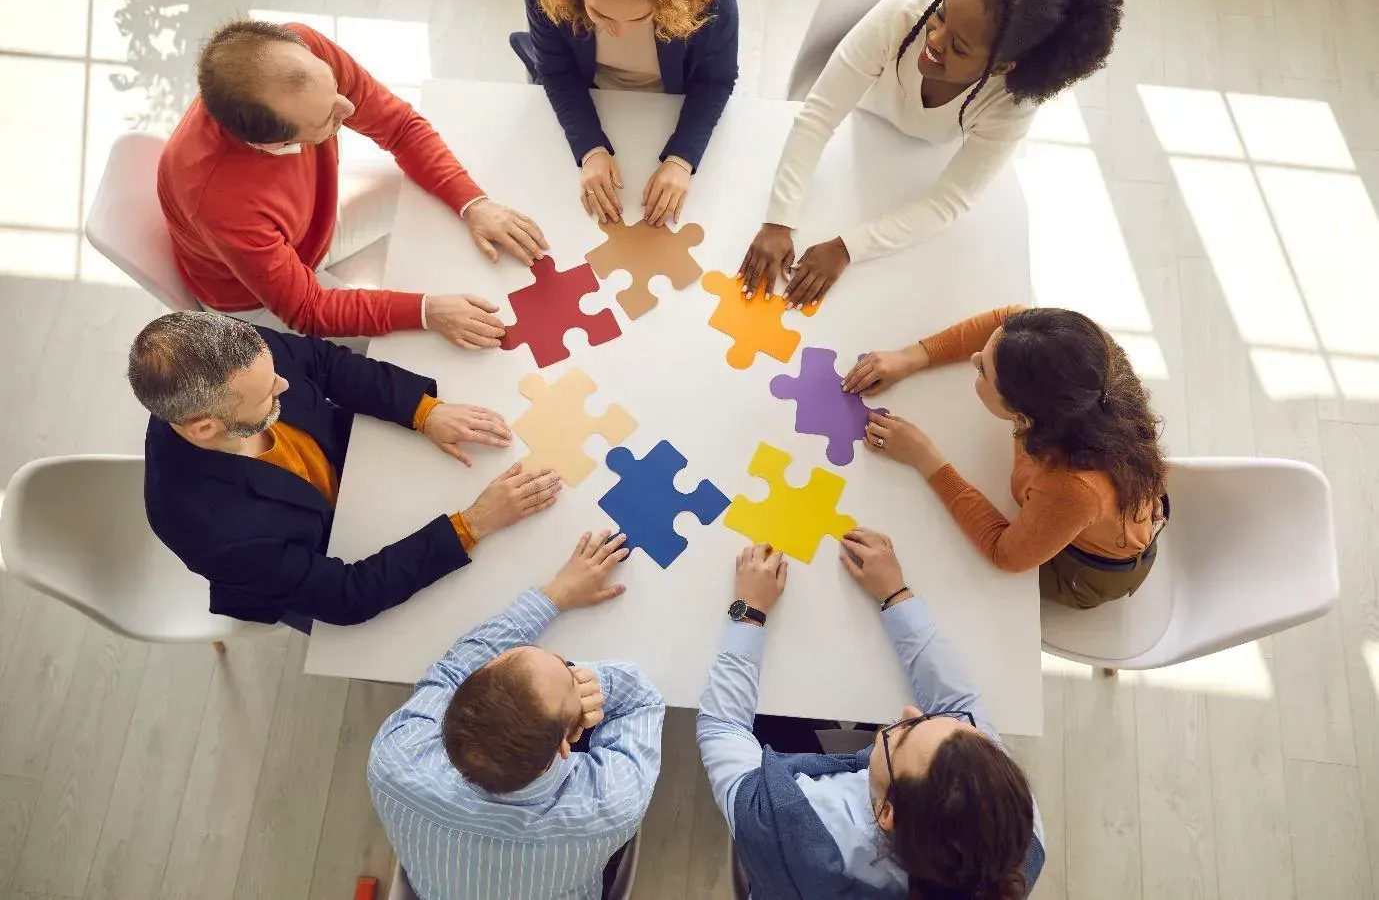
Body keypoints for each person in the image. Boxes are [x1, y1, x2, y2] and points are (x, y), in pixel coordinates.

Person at [129, 311, 562, 632]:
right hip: (323, 557)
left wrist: (422, 411)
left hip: (360, 470)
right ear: (205, 428)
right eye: (267, 393)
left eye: (274, 373)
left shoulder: (238, 356)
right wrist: (474, 523)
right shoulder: (215, 534)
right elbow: (346, 596)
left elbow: (323, 363)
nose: (284, 384)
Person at [159, 19, 549, 344]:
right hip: (254, 300)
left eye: (333, 88)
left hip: (312, 226)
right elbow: (308, 310)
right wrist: (427, 310)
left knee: (433, 184)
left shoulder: (303, 54)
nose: (347, 108)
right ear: (277, 143)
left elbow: (399, 128)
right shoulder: (217, 199)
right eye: (327, 120)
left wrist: (474, 204)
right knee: (416, 347)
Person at [739, 0, 1125, 308]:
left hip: (918, 159)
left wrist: (847, 247)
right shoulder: (906, 11)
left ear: (1001, 67)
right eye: (939, 15)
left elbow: (948, 202)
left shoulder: (1011, 105)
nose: (934, 41)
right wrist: (778, 220)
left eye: (959, 48)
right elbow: (819, 115)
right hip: (861, 120)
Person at [697, 535, 1044, 898]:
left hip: (781, 861)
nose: (910, 712)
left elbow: (722, 726)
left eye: (905, 733)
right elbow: (958, 699)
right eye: (955, 726)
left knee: (773, 721)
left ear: (886, 812)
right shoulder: (1018, 833)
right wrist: (895, 594)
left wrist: (748, 609)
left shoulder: (779, 819)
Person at [369, 530, 664, 900]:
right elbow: (641, 699)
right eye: (565, 670)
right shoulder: (604, 806)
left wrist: (556, 594)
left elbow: (450, 670)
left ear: (456, 702)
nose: (563, 659)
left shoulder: (396, 758)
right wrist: (592, 680)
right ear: (565, 744)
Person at [846, 305, 1168, 609]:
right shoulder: (1079, 347)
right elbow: (1007, 320)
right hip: (1106, 504)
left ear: (1023, 419)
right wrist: (913, 357)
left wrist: (925, 458)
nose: (973, 358)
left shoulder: (1073, 487)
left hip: (1089, 570)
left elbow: (1005, 553)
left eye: (983, 371)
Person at [520, 0, 739, 227]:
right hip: (587, 92)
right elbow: (556, 71)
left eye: (639, 18)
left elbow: (715, 81)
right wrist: (590, 148)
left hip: (671, 100)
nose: (620, 33)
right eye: (600, 14)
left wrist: (682, 158)